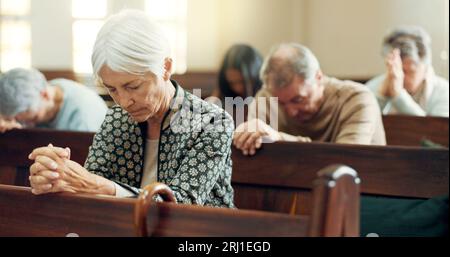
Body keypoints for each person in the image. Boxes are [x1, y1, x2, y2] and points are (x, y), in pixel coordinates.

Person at [27, 10, 235, 208]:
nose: (124, 102)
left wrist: (97, 186)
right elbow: (91, 183)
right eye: (112, 89)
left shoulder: (211, 122)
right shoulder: (117, 118)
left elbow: (181, 204)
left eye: (133, 86)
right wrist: (56, 178)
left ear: (166, 68)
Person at [233, 43, 386, 156]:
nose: (291, 112)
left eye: (298, 99)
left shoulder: (357, 99)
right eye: (281, 103)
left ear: (318, 77)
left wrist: (279, 139)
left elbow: (345, 161)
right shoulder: (266, 99)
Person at [366, 26, 449, 117]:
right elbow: (360, 125)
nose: (398, 76)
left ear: (425, 67)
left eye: (408, 71)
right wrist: (381, 97)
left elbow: (436, 130)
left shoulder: (444, 92)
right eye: (395, 68)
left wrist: (398, 95)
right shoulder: (372, 87)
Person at [0, 68, 108, 132]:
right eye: (20, 120)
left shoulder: (83, 118)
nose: (28, 125)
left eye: (34, 119)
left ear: (45, 95)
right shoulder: (48, 87)